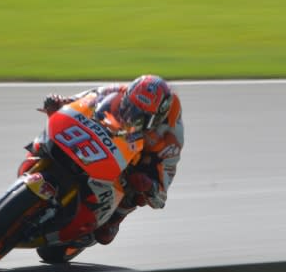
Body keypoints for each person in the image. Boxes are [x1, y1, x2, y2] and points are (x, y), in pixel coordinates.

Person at [19, 75, 184, 246]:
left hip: (134, 159)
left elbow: (161, 198)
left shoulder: (170, 138)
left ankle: (115, 219)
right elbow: (82, 101)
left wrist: (149, 186)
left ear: (158, 117)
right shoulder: (119, 90)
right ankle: (40, 155)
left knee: (135, 192)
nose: (132, 116)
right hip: (105, 135)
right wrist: (60, 103)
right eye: (129, 107)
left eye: (141, 116)